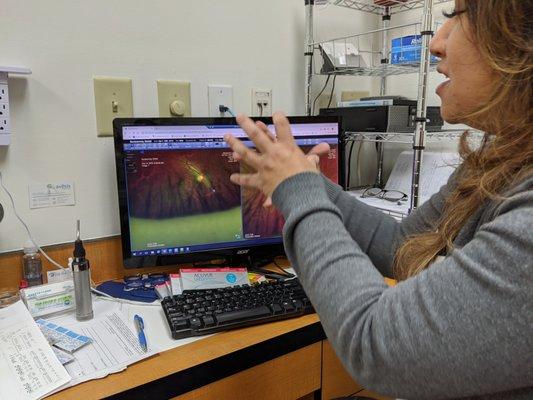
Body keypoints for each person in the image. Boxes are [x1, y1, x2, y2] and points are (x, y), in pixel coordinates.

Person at [224, 1, 532, 399]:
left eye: (458, 16)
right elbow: (402, 245)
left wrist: (299, 191)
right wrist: (308, 181)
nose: (436, 43)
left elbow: (377, 344)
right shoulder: (500, 162)